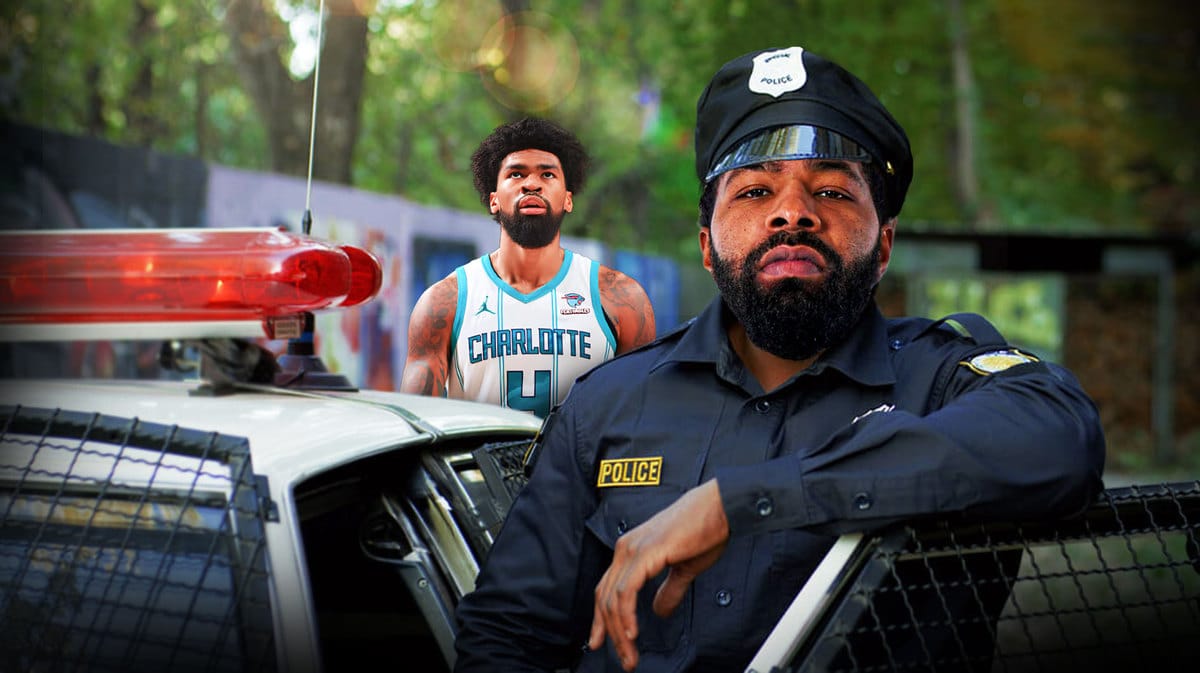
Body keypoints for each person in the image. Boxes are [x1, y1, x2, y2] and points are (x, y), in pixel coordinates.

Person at [453, 46, 1106, 671]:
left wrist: (740, 501)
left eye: (832, 192)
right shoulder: (608, 401)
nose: (793, 212)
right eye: (755, 192)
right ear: (707, 245)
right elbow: (507, 634)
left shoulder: (942, 378)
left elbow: (1062, 439)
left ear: (884, 247)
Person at [401, 118, 656, 417]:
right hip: (479, 464)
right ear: (494, 200)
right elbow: (416, 421)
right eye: (516, 173)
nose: (531, 184)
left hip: (580, 464)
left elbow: (642, 420)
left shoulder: (620, 297)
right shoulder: (445, 301)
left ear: (568, 199)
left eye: (547, 174)